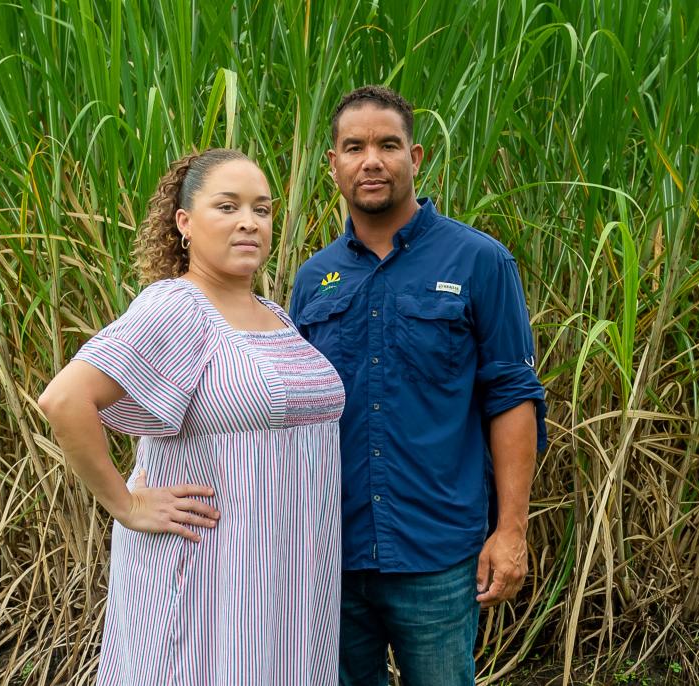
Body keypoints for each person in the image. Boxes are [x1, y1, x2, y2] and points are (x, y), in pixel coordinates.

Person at [39, 148, 345, 685]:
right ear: (184, 222)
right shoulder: (178, 307)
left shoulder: (272, 315)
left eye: (262, 209)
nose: (249, 222)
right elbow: (65, 401)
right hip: (207, 580)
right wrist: (128, 504)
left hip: (288, 583)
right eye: (227, 207)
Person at [289, 86, 547, 686]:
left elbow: (511, 397)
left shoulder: (479, 261)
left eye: (388, 144)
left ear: (417, 156)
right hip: (334, 553)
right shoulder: (313, 280)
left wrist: (511, 531)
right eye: (353, 147)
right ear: (332, 164)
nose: (371, 160)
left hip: (436, 552)